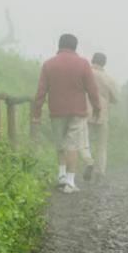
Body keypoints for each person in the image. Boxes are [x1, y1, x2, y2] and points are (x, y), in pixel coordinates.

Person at [33, 33, 101, 193]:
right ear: (75, 46)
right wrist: (97, 107)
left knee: (60, 143)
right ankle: (70, 182)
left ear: (59, 45)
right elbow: (92, 89)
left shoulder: (48, 65)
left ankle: (61, 175)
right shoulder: (83, 64)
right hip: (77, 111)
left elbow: (41, 92)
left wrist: (36, 112)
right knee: (72, 145)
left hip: (56, 110)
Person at [87, 52, 120, 180]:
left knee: (85, 142)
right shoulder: (108, 79)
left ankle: (88, 162)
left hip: (84, 112)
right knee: (101, 145)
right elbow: (116, 99)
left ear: (92, 60)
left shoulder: (85, 74)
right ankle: (99, 172)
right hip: (102, 113)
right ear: (104, 63)